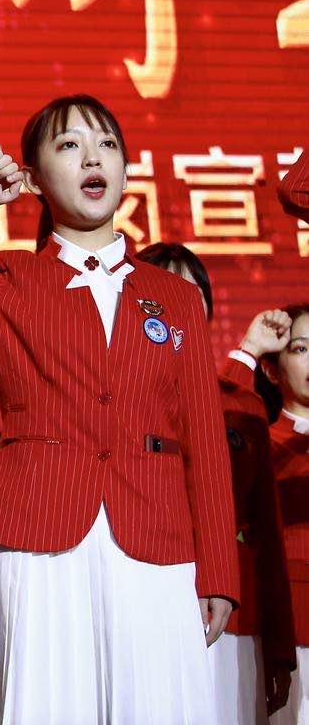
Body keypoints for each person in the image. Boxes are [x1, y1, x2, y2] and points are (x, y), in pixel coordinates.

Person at [0, 93, 238, 723]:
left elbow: (205, 441)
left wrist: (219, 571)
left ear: (126, 171)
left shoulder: (173, 296)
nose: (93, 158)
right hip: (41, 533)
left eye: (107, 145)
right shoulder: (5, 283)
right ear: (33, 179)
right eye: (69, 145)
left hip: (157, 536)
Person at [142, 242, 294, 719]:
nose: (182, 302)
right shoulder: (112, 402)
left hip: (231, 613)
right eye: (166, 290)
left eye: (194, 292)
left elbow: (267, 533)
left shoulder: (242, 406)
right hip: (144, 601)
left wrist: (280, 645)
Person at [237, 306, 309, 724]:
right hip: (287, 629)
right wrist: (249, 349)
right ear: (272, 370)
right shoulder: (256, 440)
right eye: (301, 349)